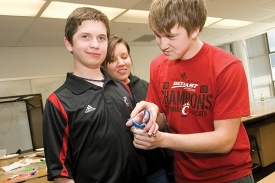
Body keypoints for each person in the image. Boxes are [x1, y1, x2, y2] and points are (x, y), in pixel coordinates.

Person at [126, 0, 254, 182]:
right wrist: (151, 117)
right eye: (157, 35)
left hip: (229, 175)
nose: (162, 45)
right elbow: (164, 119)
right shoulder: (158, 65)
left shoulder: (227, 67)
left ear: (195, 29)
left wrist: (161, 140)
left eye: (170, 37)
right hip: (184, 175)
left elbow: (224, 141)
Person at [42, 7, 145, 183]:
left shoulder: (121, 87)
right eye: (85, 36)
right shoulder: (58, 102)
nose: (95, 44)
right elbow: (60, 171)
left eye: (101, 38)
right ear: (69, 44)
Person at [101, 34, 173, 183]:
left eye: (124, 56)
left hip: (155, 167)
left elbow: (163, 123)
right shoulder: (102, 95)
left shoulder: (145, 86)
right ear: (104, 64)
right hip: (126, 172)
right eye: (113, 60)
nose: (121, 63)